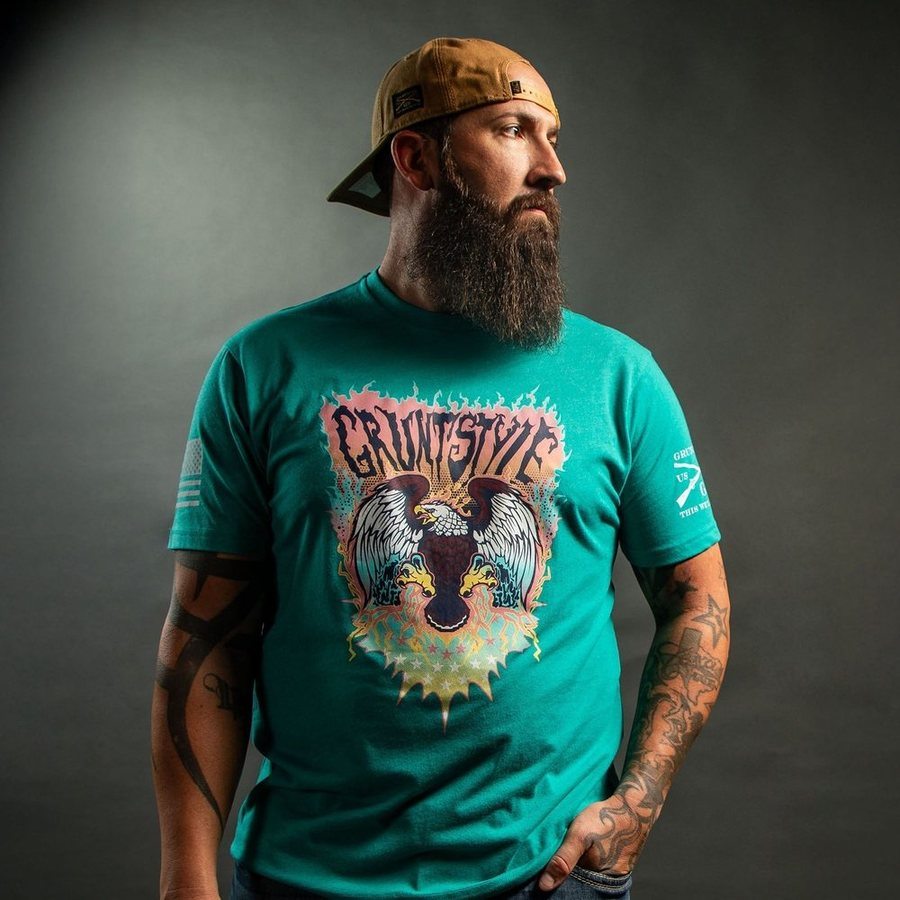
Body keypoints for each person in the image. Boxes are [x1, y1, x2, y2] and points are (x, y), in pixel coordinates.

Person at [151, 37, 731, 900]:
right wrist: (187, 878)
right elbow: (208, 637)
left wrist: (635, 805)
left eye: (553, 137)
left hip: (549, 878)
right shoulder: (264, 366)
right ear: (416, 158)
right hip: (308, 876)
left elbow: (698, 599)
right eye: (513, 131)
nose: (553, 169)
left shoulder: (619, 376)